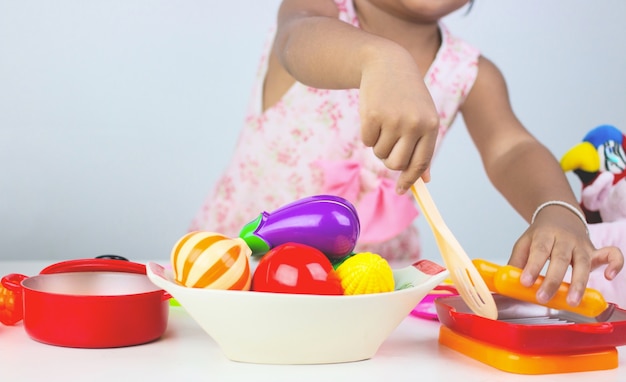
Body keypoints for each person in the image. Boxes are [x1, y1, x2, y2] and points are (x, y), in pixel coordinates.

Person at [190, 0, 623, 307]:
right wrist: (380, 58)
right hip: (236, 272)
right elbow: (295, 38)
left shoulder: (470, 72)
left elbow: (513, 148)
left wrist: (558, 210)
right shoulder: (315, 11)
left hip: (368, 289)